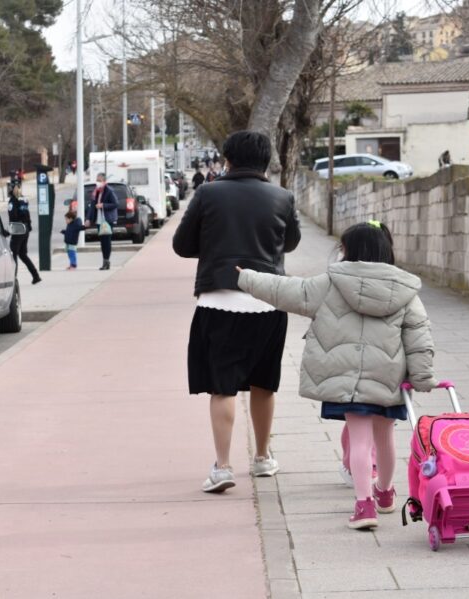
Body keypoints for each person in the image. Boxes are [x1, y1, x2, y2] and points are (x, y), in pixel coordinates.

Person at [236, 221, 438, 529]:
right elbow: (419, 336)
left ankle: (364, 505)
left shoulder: (331, 282)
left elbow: (287, 291)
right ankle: (385, 494)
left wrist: (247, 277)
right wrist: (422, 377)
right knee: (385, 438)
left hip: (348, 379)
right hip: (388, 378)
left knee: (360, 441)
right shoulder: (406, 289)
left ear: (349, 250)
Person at [172, 130, 301, 494]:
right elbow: (290, 242)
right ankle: (261, 458)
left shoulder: (208, 193)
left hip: (219, 300)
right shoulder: (282, 197)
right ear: (266, 161)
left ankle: (223, 466)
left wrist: (214, 247)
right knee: (264, 384)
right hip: (268, 300)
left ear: (227, 160)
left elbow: (182, 244)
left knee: (222, 387)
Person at [8, 185, 41, 284]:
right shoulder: (24, 199)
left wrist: (9, 231)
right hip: (25, 229)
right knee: (22, 254)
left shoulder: (13, 201)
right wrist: (28, 226)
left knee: (13, 254)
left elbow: (13, 217)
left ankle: (13, 279)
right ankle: (35, 276)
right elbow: (27, 214)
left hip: (18, 230)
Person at [85, 172, 118, 270]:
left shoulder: (109, 191)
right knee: (102, 242)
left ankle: (106, 262)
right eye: (97, 180)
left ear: (104, 181)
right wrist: (88, 219)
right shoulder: (96, 191)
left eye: (99, 180)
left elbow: (115, 204)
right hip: (99, 220)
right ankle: (105, 261)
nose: (97, 182)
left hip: (107, 220)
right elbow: (92, 206)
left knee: (107, 241)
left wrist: (103, 205)